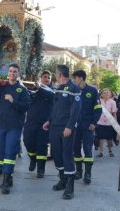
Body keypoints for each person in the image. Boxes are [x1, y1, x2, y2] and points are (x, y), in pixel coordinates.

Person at [0, 63, 31, 195]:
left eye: (15, 72)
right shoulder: (1, 87)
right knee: (0, 153)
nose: (12, 74)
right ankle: (9, 175)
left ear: (18, 74)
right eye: (10, 71)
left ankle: (6, 180)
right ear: (8, 73)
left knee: (10, 153)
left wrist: (13, 101)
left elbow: (26, 107)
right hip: (0, 125)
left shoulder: (22, 90)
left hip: (14, 126)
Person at [43, 65, 82, 200]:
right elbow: (55, 108)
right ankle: (63, 179)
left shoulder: (74, 88)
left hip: (66, 128)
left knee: (67, 155)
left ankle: (70, 185)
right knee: (57, 154)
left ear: (59, 74)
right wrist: (49, 121)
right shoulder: (58, 88)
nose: (54, 76)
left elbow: (76, 110)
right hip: (54, 126)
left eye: (55, 74)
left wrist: (70, 127)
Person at [72, 70, 102, 184]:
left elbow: (98, 108)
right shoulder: (73, 90)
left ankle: (88, 174)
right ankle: (78, 171)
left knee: (87, 149)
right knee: (75, 148)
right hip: (75, 126)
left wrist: (94, 123)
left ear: (81, 78)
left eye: (75, 78)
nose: (74, 80)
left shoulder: (92, 91)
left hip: (88, 126)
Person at [23, 70, 54, 178]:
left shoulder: (52, 91)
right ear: (41, 78)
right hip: (30, 122)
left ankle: (41, 169)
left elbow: (50, 96)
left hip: (44, 124)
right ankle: (32, 158)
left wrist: (39, 88)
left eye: (48, 77)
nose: (47, 79)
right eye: (45, 77)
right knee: (28, 142)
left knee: (42, 146)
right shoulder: (33, 90)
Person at [96, 88, 117, 158]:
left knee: (109, 138)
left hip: (109, 122)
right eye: (104, 93)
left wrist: (115, 123)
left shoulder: (113, 102)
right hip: (100, 122)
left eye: (107, 92)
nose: (106, 94)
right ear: (101, 94)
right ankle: (101, 152)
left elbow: (114, 113)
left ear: (110, 94)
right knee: (100, 138)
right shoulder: (98, 101)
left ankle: (110, 151)